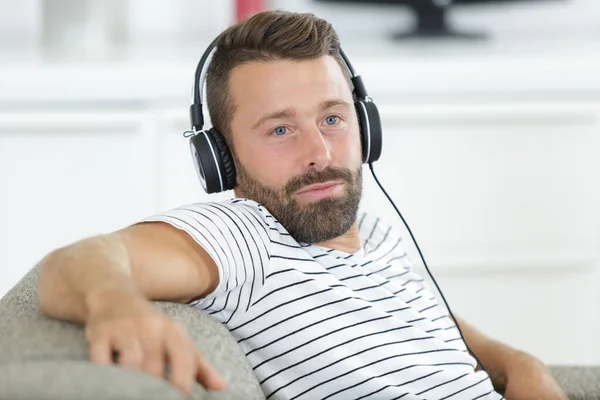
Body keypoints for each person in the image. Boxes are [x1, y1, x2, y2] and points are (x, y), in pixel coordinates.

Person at [37, 9, 567, 400]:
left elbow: (418, 319)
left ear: (366, 126)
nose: (319, 152)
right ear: (221, 157)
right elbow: (75, 263)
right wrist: (115, 305)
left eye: (333, 118)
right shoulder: (245, 238)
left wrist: (515, 362)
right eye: (281, 129)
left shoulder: (373, 231)